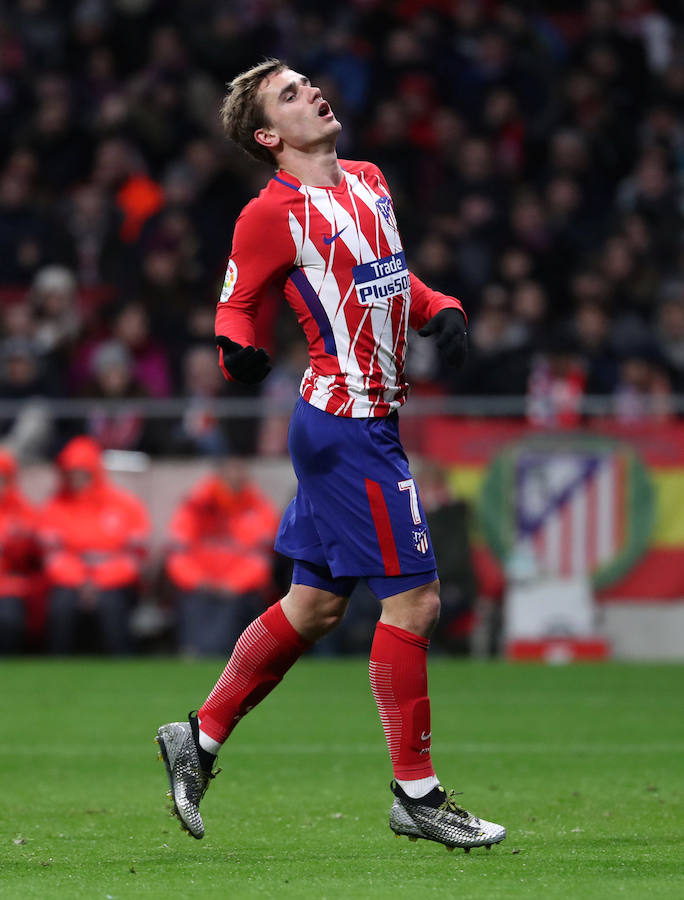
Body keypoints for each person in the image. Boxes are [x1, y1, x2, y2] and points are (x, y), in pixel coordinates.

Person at [156, 58, 505, 854]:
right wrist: (236, 355)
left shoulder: (370, 179)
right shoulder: (268, 213)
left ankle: (199, 738)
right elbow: (236, 307)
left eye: (308, 81)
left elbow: (388, 277)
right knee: (414, 603)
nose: (312, 91)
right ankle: (416, 795)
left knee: (313, 606)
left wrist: (438, 307)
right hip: (344, 427)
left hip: (356, 423)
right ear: (268, 136)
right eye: (290, 93)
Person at [39, 435, 150, 654]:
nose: (77, 479)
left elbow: (136, 556)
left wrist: (100, 580)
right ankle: (56, 666)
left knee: (112, 606)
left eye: (82, 472)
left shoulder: (125, 504)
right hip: (71, 581)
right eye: (72, 473)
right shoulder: (55, 506)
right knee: (61, 607)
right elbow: (52, 556)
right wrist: (81, 581)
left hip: (114, 580)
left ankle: (123, 664)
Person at [165, 457, 280, 656]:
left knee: (235, 608)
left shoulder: (259, 508)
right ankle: (192, 653)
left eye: (240, 471)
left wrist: (233, 584)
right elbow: (177, 555)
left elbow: (261, 560)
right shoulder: (195, 505)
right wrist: (199, 581)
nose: (235, 477)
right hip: (199, 584)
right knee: (193, 603)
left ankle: (226, 655)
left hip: (238, 589)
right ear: (219, 474)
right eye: (230, 471)